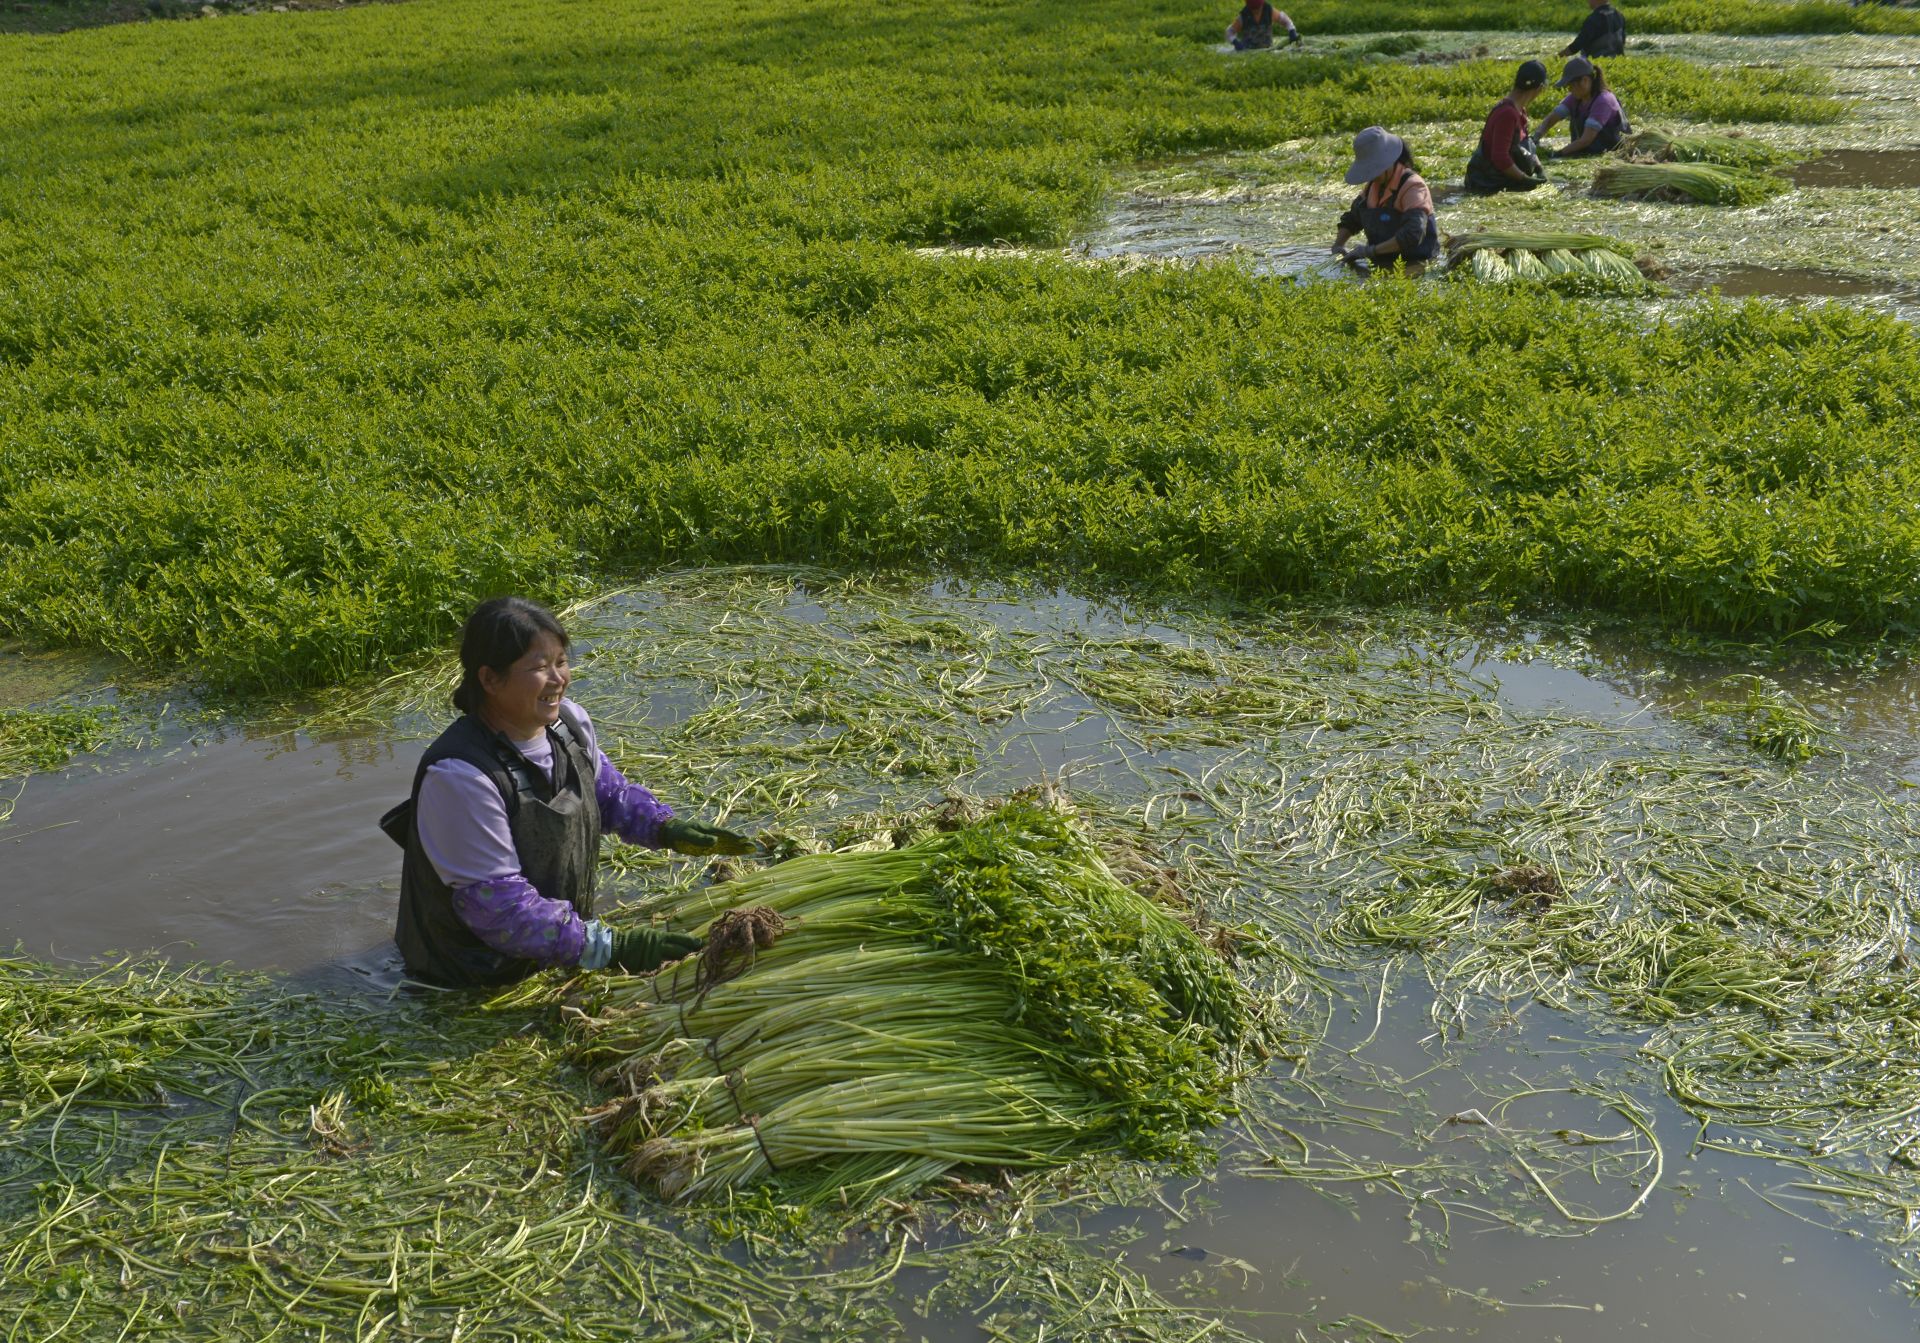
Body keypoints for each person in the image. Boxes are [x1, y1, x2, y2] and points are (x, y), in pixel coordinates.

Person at [388, 596, 753, 988]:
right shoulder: (460, 777)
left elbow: (608, 795)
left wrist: (666, 828)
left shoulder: (568, 724)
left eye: (561, 662)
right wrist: (612, 947)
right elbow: (501, 908)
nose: (558, 679)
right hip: (473, 980)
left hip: (555, 953)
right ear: (490, 679)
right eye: (539, 667)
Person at [1330, 126, 1438, 276]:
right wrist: (1338, 245)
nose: (1371, 176)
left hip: (1415, 264)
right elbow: (1352, 219)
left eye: (1375, 170)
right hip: (1382, 262)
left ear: (1389, 162)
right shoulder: (1372, 188)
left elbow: (1412, 234)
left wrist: (1370, 251)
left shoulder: (1413, 186)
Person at [1465, 59, 1551, 195]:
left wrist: (1538, 167)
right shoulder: (1507, 114)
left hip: (1506, 180)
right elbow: (1500, 157)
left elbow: (1525, 145)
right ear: (1540, 88)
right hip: (1490, 184)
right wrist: (1525, 179)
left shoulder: (1520, 110)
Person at [1536, 56, 1629, 159]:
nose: (1569, 90)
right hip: (1584, 155)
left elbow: (1586, 140)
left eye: (1571, 86)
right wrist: (1536, 137)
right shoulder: (1575, 98)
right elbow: (1551, 119)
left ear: (1584, 80)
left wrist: (1557, 154)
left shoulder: (1603, 101)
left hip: (1607, 156)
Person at [1560, 0, 1626, 58]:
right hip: (1617, 62)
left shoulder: (1593, 19)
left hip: (1597, 65)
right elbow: (1623, 40)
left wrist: (1559, 56)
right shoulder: (1619, 15)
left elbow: (1577, 45)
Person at [1226, 2, 1300, 49]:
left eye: (1258, 10)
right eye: (1253, 10)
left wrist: (1292, 31)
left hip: (1268, 49)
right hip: (1248, 50)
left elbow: (1286, 21)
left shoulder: (1269, 11)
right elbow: (1229, 32)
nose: (1256, 12)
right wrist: (1235, 42)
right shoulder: (1243, 16)